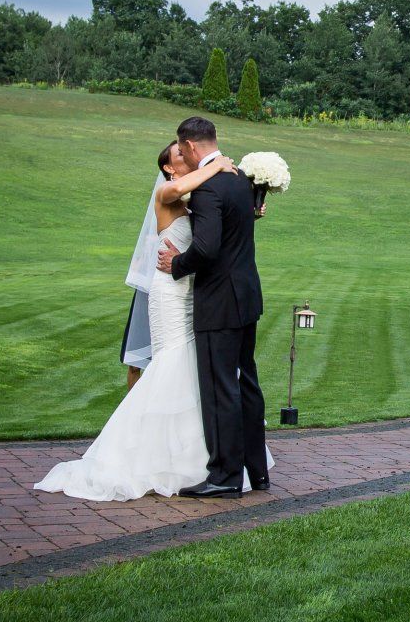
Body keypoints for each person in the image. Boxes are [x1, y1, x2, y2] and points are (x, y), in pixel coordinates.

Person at [35, 138, 270, 500]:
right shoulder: (167, 191)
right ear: (168, 168)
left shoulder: (195, 196)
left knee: (195, 372)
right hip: (171, 292)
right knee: (172, 362)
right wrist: (218, 164)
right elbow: (187, 194)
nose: (186, 157)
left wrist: (247, 206)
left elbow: (213, 225)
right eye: (179, 155)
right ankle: (152, 457)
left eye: (185, 150)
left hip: (194, 289)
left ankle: (204, 459)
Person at [156, 115, 270, 496]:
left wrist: (177, 264)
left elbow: (205, 248)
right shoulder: (240, 179)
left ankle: (223, 477)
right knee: (247, 384)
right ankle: (258, 471)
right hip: (247, 296)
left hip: (219, 302)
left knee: (221, 388)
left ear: (189, 147)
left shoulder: (206, 190)